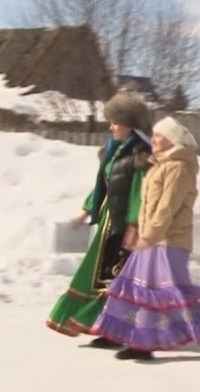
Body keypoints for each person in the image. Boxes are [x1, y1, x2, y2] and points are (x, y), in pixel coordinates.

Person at [91, 117, 200, 361]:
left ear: (173, 139)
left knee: (159, 292)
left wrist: (149, 236)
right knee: (135, 287)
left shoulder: (179, 167)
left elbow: (167, 207)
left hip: (169, 240)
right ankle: (119, 332)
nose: (153, 139)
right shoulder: (160, 164)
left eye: (159, 136)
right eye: (153, 135)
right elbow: (147, 205)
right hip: (151, 236)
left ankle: (144, 343)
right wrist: (138, 229)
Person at [46, 93, 152, 339]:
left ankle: (117, 329)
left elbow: (139, 193)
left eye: (115, 122)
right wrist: (85, 211)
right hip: (108, 221)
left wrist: (134, 226)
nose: (110, 127)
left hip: (123, 225)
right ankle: (104, 326)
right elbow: (105, 186)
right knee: (96, 274)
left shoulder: (139, 155)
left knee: (113, 276)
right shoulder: (114, 150)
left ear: (130, 125)